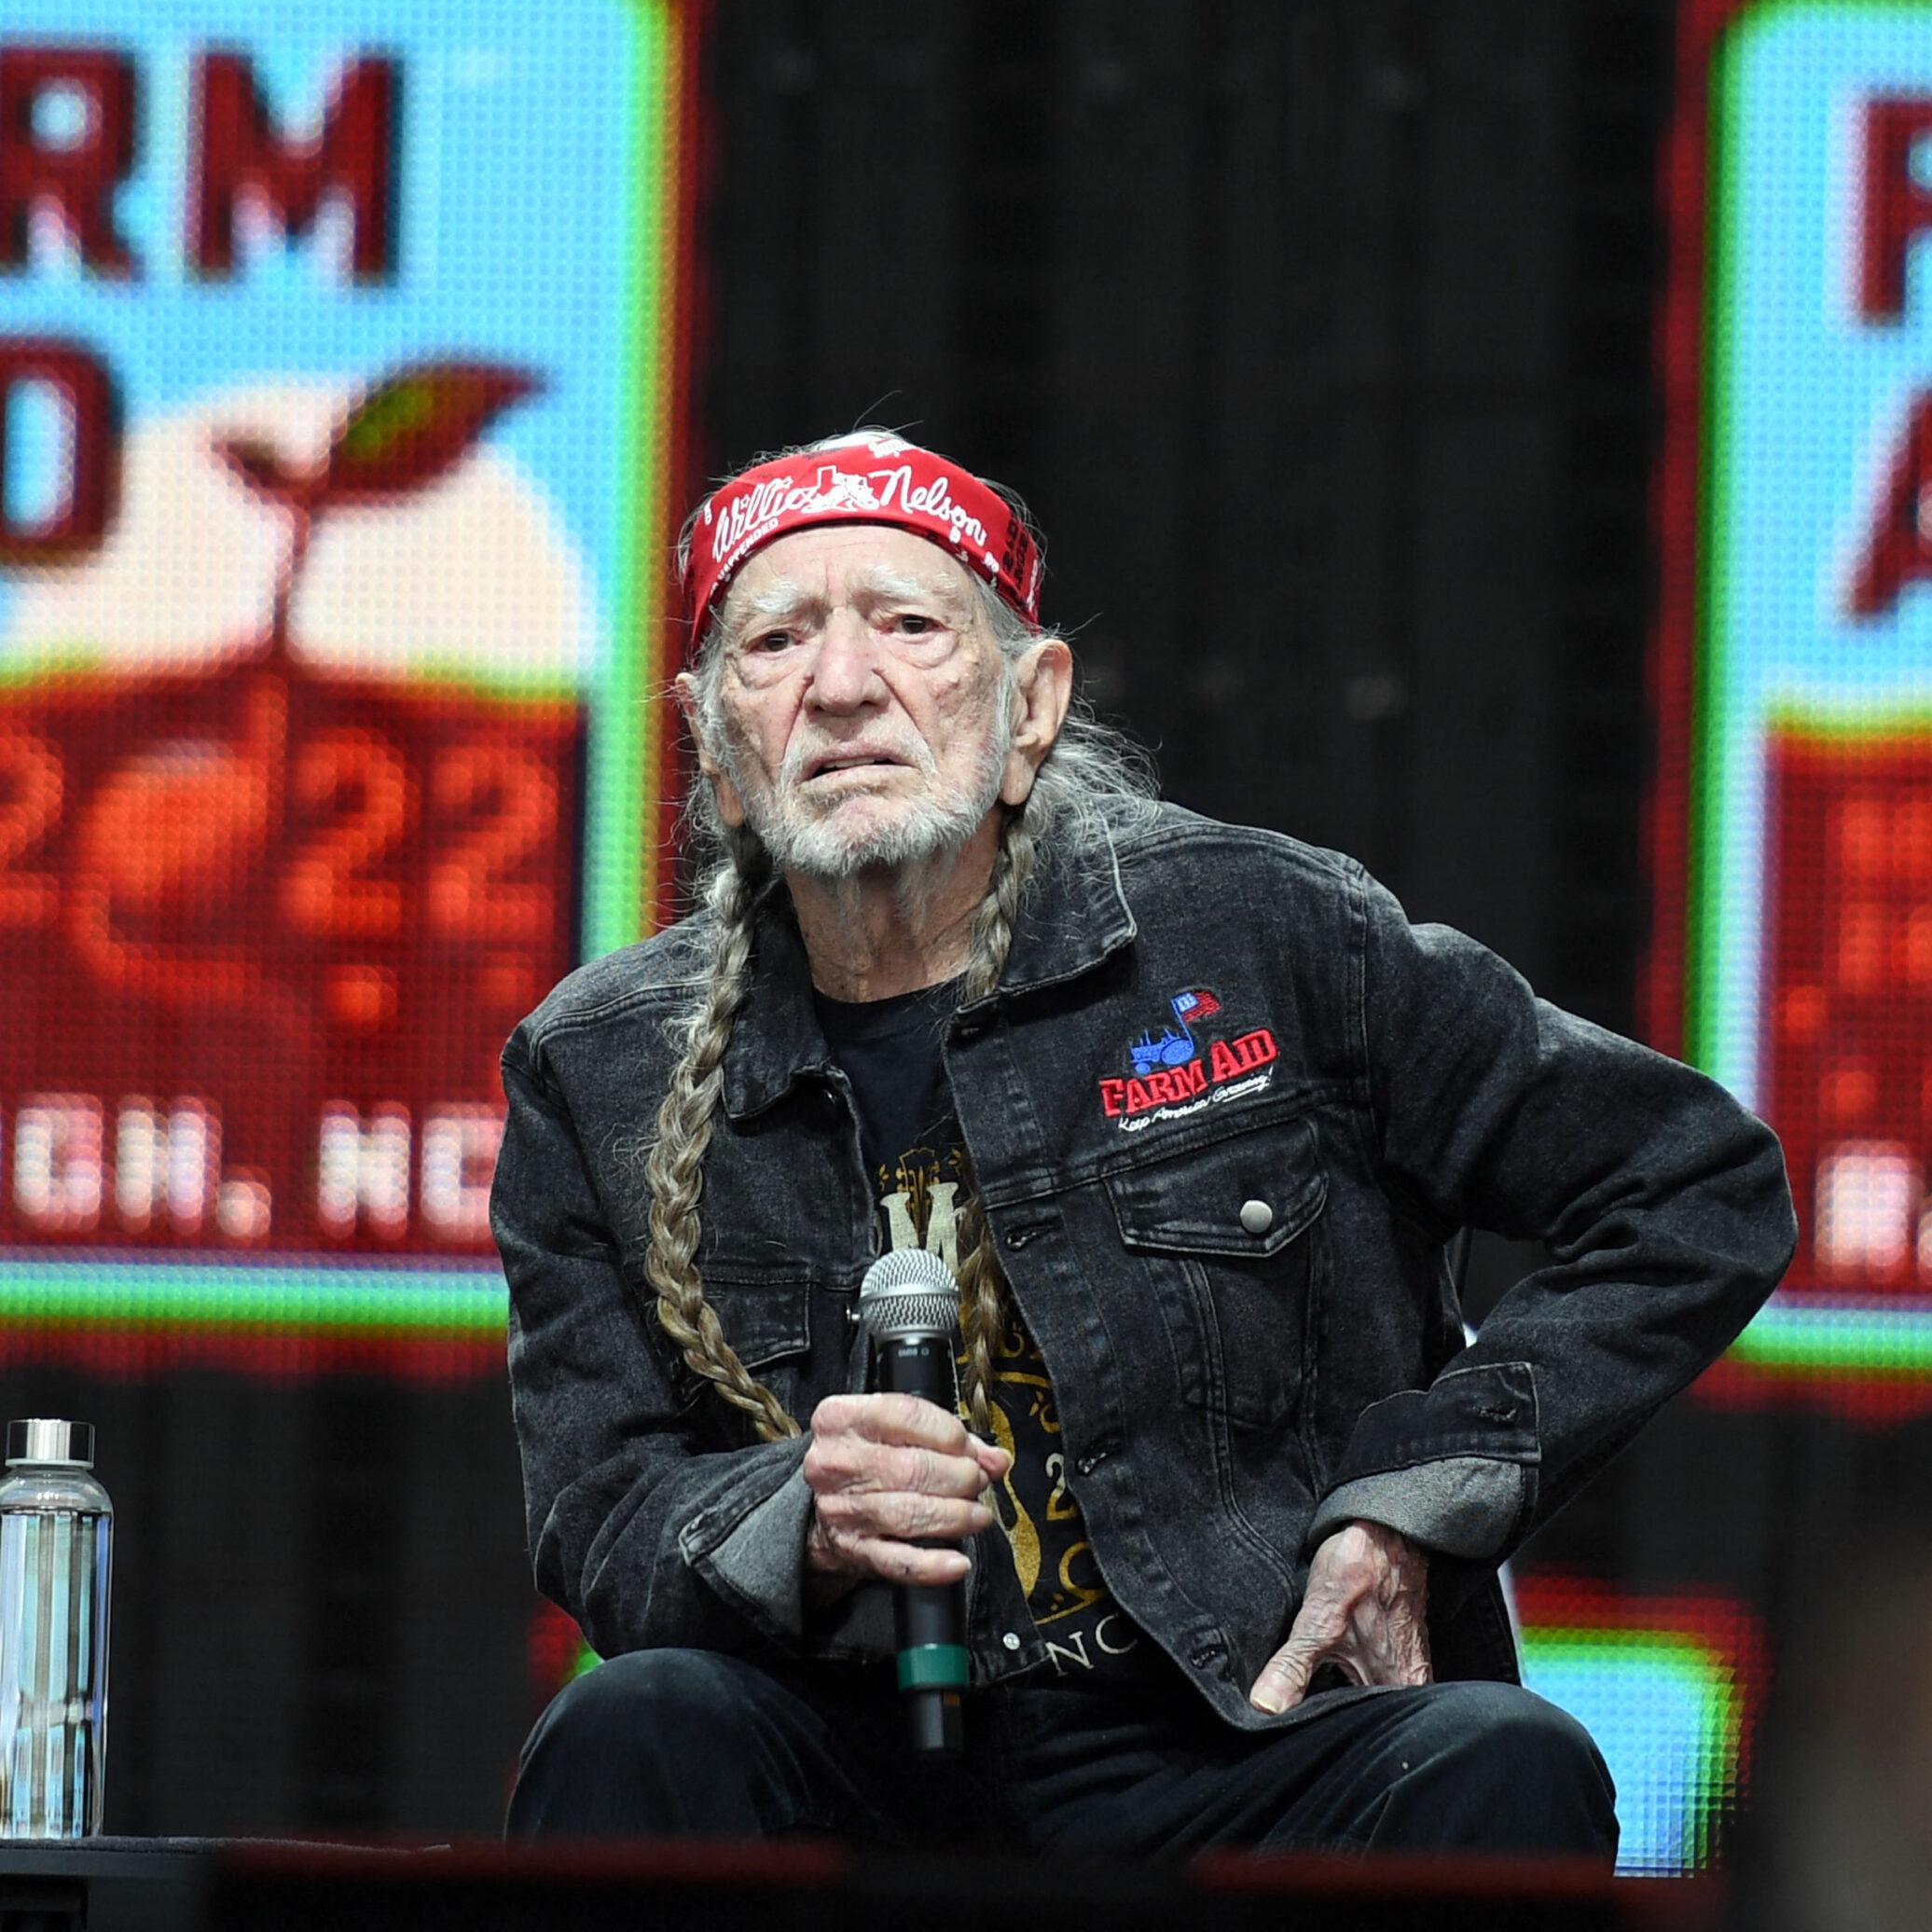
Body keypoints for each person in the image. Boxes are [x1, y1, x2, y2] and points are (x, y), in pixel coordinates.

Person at [493, 430, 1796, 1860]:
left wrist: (1415, 1504)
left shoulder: (1264, 935)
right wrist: (792, 1517)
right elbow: (603, 1510)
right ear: (716, 750)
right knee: (631, 1726)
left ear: (1033, 703)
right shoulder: (595, 1065)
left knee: (1498, 1761)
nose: (843, 685)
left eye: (911, 625)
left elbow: (1692, 1187)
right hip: (846, 1750)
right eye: (777, 641)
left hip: (1237, 1730)